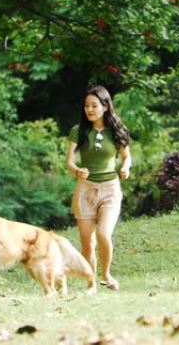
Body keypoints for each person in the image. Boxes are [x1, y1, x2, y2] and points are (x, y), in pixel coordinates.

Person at [66, 84, 131, 290]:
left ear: (105, 106)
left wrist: (126, 167)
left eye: (94, 105)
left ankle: (106, 274)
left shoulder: (117, 130)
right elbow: (69, 161)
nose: (89, 109)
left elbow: (126, 156)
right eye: (86, 105)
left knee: (103, 234)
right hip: (85, 190)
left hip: (110, 189)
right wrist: (77, 171)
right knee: (87, 243)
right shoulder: (78, 131)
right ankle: (91, 283)